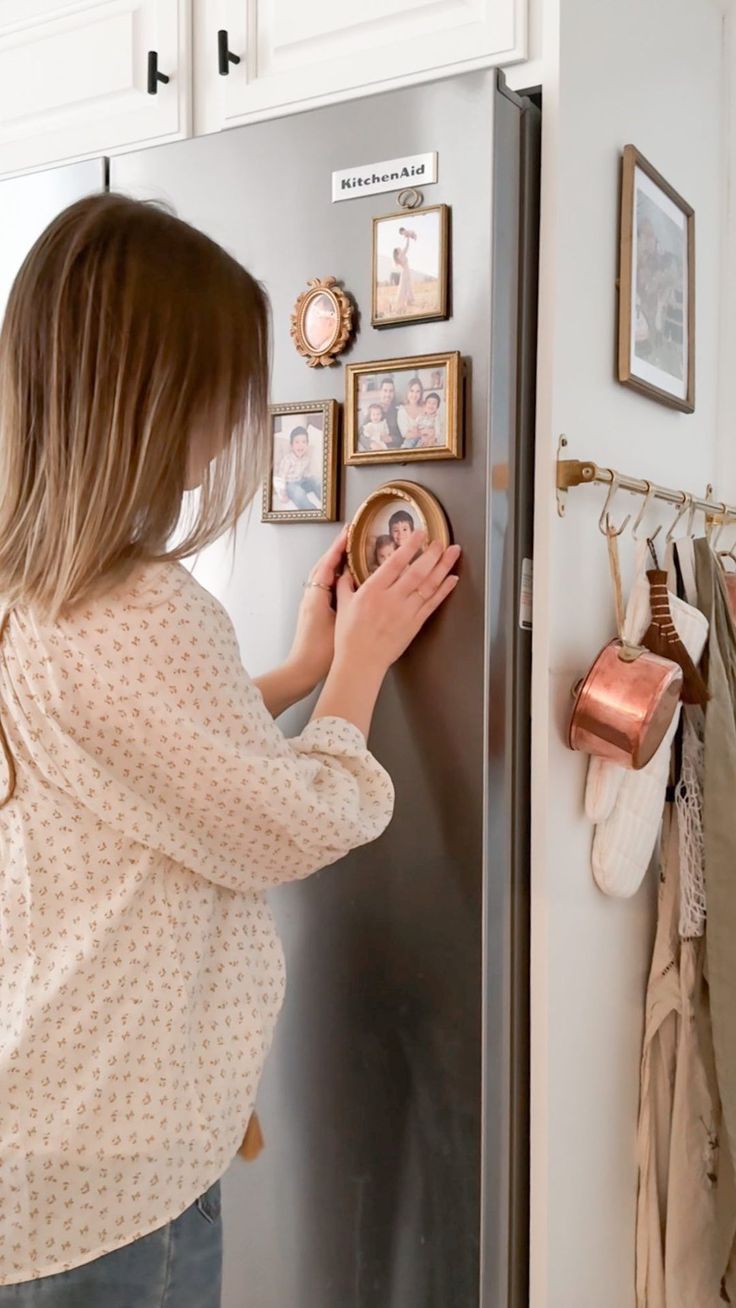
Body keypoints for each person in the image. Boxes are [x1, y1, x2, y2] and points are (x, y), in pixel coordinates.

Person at [0, 193, 461, 1306]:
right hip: (114, 1147)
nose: (234, 420)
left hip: (39, 1115)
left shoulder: (28, 589)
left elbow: (116, 753)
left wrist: (301, 674)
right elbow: (293, 825)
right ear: (159, 395)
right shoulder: (144, 605)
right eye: (225, 384)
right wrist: (361, 665)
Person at [275, 425, 322, 510]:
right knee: (298, 493)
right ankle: (312, 510)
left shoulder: (306, 458)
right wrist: (282, 493)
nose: (301, 445)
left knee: (316, 480)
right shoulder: (287, 460)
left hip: (301, 482)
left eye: (304, 442)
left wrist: (311, 479)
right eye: (297, 442)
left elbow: (305, 473)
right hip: (290, 484)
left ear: (307, 445)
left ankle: (325, 499)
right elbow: (281, 477)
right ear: (291, 445)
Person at [393, 229, 416, 314]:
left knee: (406, 286)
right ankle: (407, 301)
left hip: (406, 271)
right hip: (405, 272)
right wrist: (408, 236)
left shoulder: (399, 256)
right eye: (399, 248)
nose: (400, 248)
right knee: (406, 286)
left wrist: (408, 237)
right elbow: (406, 247)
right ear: (398, 251)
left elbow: (406, 246)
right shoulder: (401, 255)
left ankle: (407, 301)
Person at [397, 377, 424, 444]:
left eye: (417, 391)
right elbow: (405, 434)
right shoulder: (402, 411)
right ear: (407, 392)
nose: (414, 395)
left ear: (421, 394)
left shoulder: (425, 408)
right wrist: (422, 433)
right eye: (411, 391)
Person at [377, 377, 403, 449]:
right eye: (385, 390)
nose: (388, 394)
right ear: (380, 392)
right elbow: (361, 433)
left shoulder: (398, 411)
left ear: (394, 393)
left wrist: (391, 439)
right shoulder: (373, 409)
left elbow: (404, 437)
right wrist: (371, 443)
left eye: (391, 391)